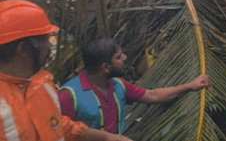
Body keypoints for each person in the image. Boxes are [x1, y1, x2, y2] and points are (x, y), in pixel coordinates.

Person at [0, 0, 131, 141]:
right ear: (23, 49)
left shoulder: (40, 84)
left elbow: (55, 124)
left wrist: (106, 137)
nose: (49, 45)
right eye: (45, 40)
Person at [58, 38, 210, 135]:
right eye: (118, 57)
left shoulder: (118, 85)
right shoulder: (68, 95)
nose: (124, 58)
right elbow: (57, 133)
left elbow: (152, 95)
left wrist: (190, 86)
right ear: (105, 67)